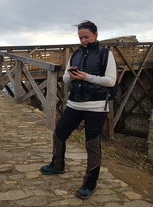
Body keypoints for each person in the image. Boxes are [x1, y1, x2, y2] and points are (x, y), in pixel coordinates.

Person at [40, 20, 117, 199]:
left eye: (86, 37)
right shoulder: (75, 55)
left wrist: (86, 76)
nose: (83, 40)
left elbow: (111, 81)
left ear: (95, 35)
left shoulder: (106, 54)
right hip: (74, 104)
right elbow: (66, 79)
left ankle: (90, 183)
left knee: (92, 144)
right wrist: (72, 75)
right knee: (59, 134)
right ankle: (57, 165)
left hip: (97, 107)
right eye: (80, 37)